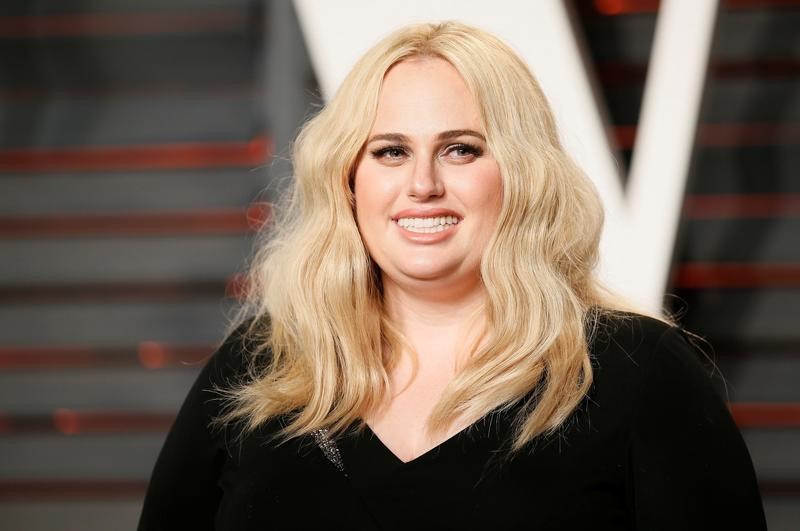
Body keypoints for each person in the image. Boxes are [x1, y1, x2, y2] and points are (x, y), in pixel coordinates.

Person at [138, 21, 766, 530]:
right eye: (390, 151)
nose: (423, 185)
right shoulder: (261, 367)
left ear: (521, 175)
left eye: (460, 149)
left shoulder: (636, 370)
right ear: (349, 180)